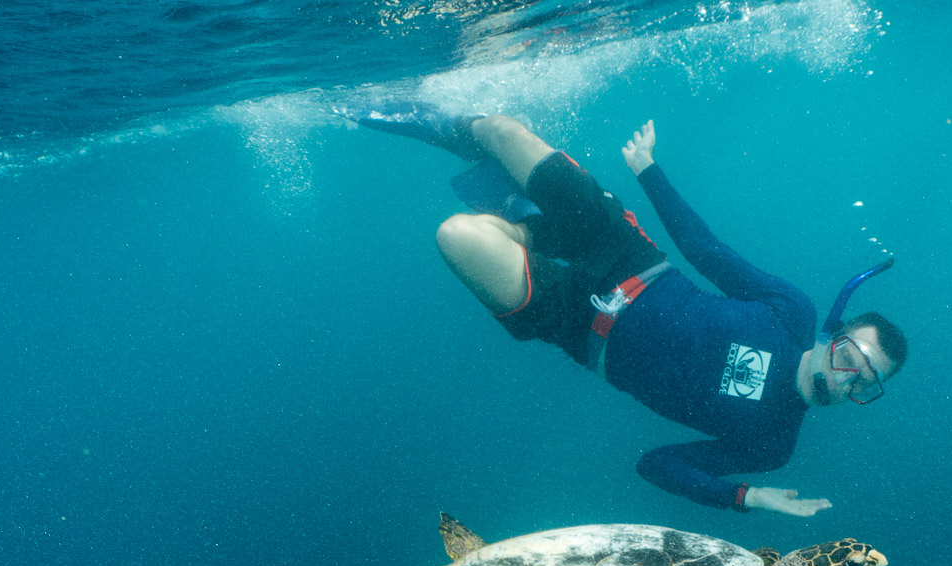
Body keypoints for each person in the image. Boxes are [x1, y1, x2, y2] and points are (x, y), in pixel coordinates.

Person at [355, 109, 907, 518]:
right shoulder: (793, 312)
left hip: (576, 327)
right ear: (834, 334)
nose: (847, 378)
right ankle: (435, 121)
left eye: (865, 383)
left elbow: (657, 465)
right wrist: (648, 170)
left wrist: (747, 497)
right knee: (501, 130)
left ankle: (525, 223)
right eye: (850, 357)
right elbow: (706, 252)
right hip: (625, 252)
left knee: (454, 235)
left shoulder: (772, 445)